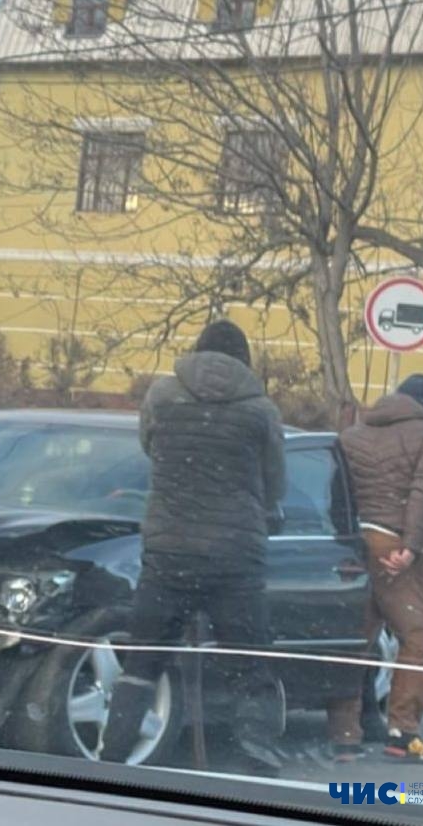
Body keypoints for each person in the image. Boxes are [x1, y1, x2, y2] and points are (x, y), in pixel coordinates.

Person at [100, 320, 288, 775]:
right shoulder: (261, 410)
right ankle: (256, 760)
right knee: (249, 664)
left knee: (141, 662)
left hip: (169, 554)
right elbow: (275, 483)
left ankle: (110, 760)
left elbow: (151, 448)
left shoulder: (162, 397)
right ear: (244, 361)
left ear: (198, 351)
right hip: (234, 558)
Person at [326, 374, 423, 764]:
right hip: (396, 545)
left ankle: (344, 734)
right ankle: (403, 731)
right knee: (414, 640)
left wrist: (345, 538)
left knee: (355, 641)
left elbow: (336, 492)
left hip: (356, 544)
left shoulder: (351, 435)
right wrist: (412, 547)